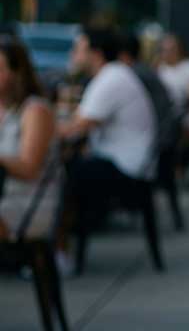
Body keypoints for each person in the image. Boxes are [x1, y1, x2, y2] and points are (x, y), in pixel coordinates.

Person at [59, 29, 158, 239]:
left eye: (78, 49)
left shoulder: (111, 78)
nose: (73, 55)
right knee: (66, 167)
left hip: (128, 170)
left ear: (96, 54)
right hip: (130, 163)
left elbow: (77, 127)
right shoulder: (112, 75)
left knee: (62, 174)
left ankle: (58, 247)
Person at [0, 37, 60, 242]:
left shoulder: (35, 110)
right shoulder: (4, 110)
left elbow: (29, 168)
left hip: (25, 205)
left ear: (17, 74)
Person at [156, 33, 189, 142]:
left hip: (188, 115)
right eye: (164, 49)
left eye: (172, 49)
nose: (168, 52)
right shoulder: (159, 68)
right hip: (166, 116)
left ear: (179, 49)